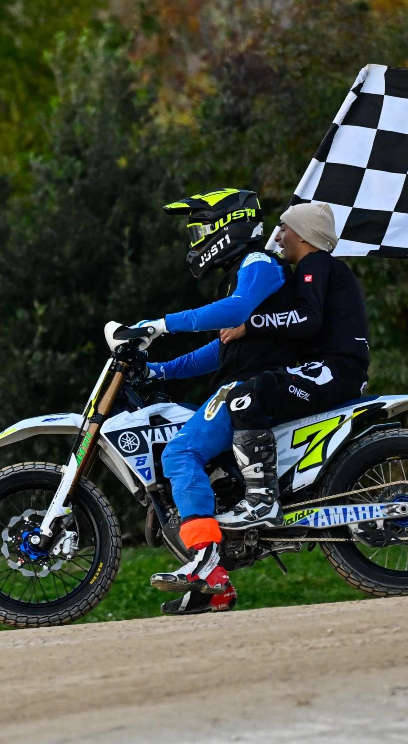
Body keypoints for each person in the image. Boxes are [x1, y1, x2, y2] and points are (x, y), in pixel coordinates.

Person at [129, 195, 370, 615]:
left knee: (185, 449)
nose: (279, 235)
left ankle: (237, 529)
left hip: (320, 372)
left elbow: (275, 318)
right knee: (190, 448)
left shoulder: (269, 264)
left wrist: (161, 325)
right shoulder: (263, 274)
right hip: (287, 373)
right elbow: (223, 347)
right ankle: (214, 577)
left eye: (201, 230)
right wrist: (160, 371)